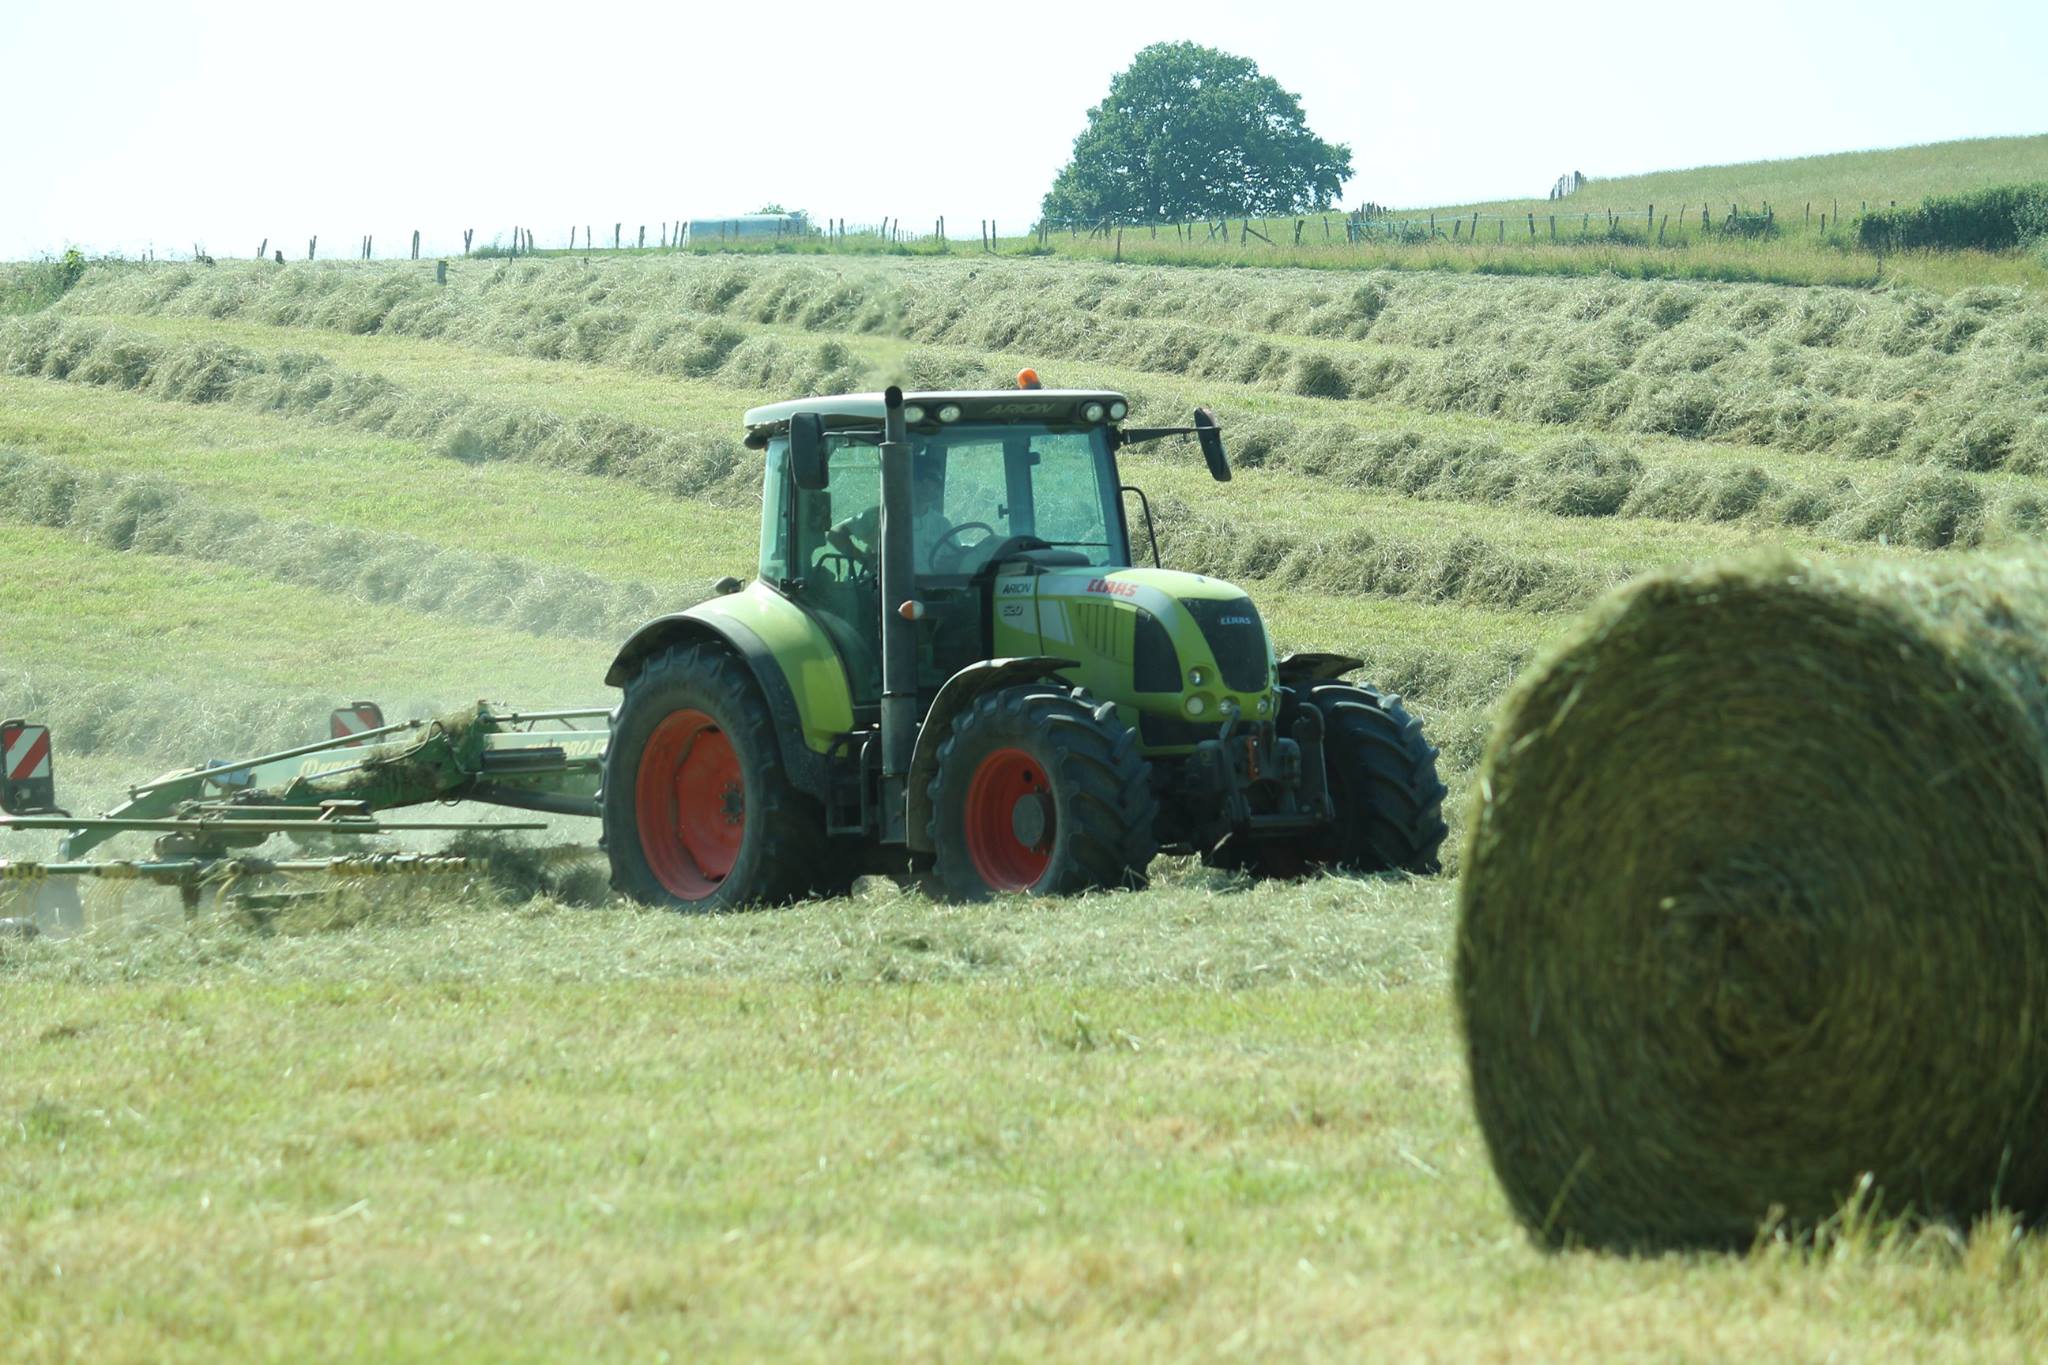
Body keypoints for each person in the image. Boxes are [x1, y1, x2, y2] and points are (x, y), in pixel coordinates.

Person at [826, 452, 982, 572]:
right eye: (933, 479)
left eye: (939, 480)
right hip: (886, 594)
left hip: (933, 591)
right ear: (914, 481)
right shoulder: (881, 516)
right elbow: (835, 533)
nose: (938, 485)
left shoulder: (942, 524)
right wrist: (864, 559)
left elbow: (953, 560)